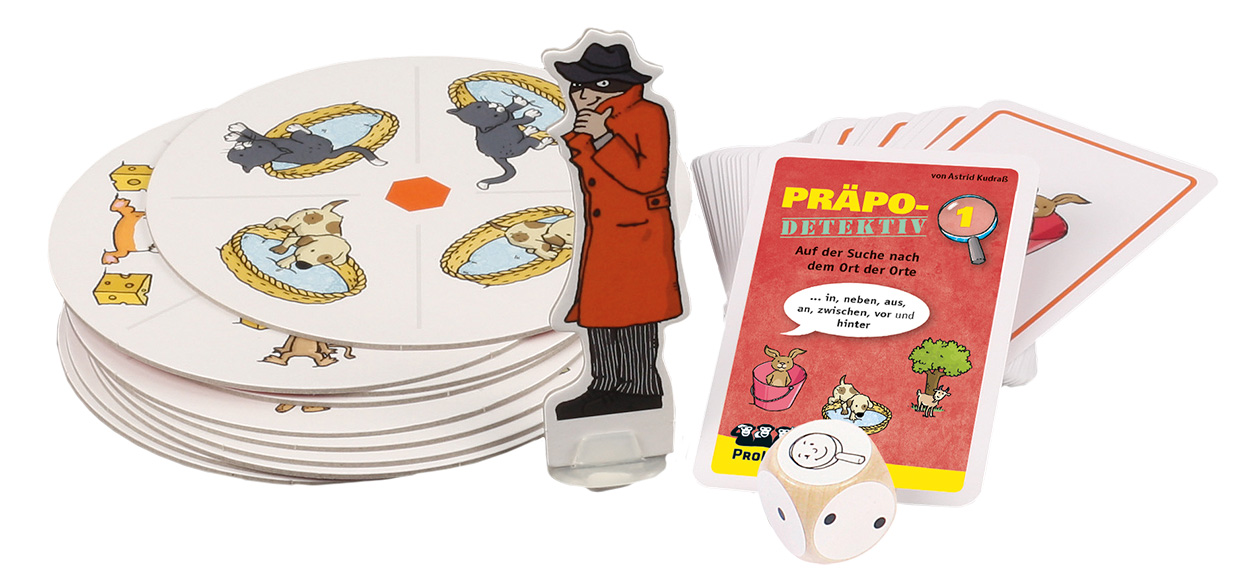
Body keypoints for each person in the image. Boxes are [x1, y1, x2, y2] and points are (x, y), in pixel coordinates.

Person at [551, 42, 683, 420]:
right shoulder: (593, 117)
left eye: (592, 87)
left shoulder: (648, 114)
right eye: (578, 87)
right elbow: (589, 172)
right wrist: (585, 135)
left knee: (634, 314)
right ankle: (605, 383)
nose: (581, 95)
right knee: (600, 311)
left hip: (639, 232)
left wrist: (603, 136)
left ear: (614, 87)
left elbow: (646, 178)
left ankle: (640, 387)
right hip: (603, 230)